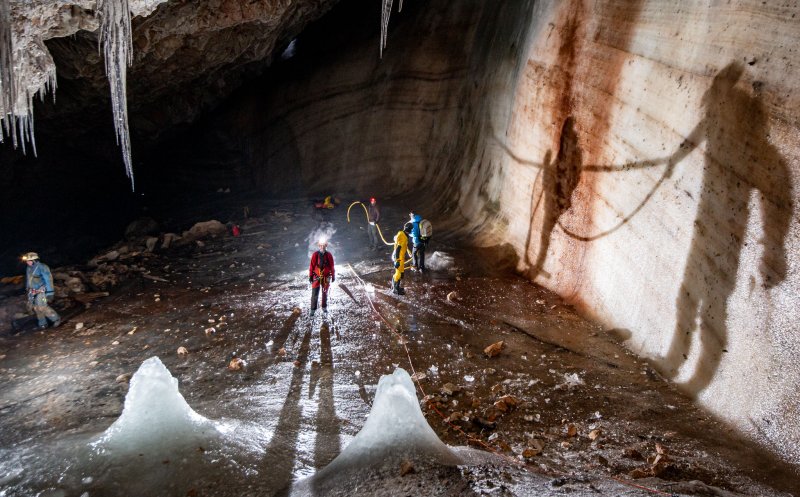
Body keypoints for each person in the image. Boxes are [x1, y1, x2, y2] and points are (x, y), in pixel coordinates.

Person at [22, 252, 61, 330]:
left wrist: (50, 292)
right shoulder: (28, 268)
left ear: (35, 260)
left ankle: (56, 319)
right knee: (36, 308)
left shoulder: (42, 267)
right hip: (32, 291)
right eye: (27, 261)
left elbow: (48, 279)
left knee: (42, 307)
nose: (27, 262)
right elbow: (28, 280)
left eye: (29, 260)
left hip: (41, 290)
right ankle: (43, 324)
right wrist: (27, 289)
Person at [309, 240, 335, 315]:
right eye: (320, 245)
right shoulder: (315, 255)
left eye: (323, 245)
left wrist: (333, 275)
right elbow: (312, 266)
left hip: (326, 276)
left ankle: (324, 307)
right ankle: (312, 310)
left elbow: (332, 266)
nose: (322, 247)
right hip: (316, 277)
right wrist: (311, 275)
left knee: (325, 293)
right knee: (314, 293)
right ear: (319, 246)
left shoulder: (329, 255)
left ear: (326, 246)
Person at [391, 223, 412, 295]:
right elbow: (398, 249)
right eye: (411, 230)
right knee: (398, 274)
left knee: (401, 273)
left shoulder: (404, 234)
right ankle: (395, 290)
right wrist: (397, 261)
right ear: (409, 230)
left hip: (401, 257)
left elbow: (405, 245)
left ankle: (396, 287)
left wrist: (408, 251)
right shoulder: (403, 236)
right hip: (398, 257)